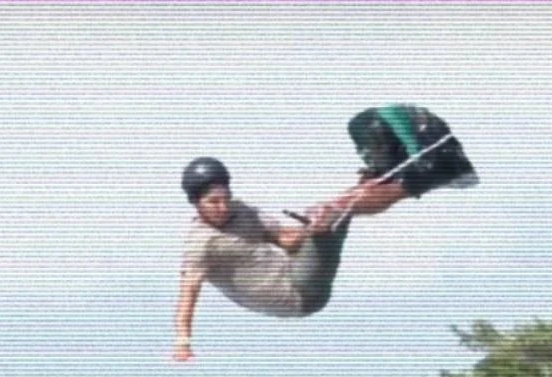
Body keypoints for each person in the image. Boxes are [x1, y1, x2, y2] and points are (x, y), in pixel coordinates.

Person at [172, 104, 476, 362]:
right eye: (213, 202)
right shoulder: (200, 244)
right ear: (195, 203)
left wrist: (308, 229)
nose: (222, 207)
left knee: (322, 212)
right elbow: (188, 295)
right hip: (294, 296)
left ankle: (389, 173)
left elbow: (287, 241)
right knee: (332, 215)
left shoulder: (242, 210)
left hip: (296, 269)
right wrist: (183, 341)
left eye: (225, 198)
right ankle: (432, 174)